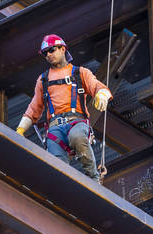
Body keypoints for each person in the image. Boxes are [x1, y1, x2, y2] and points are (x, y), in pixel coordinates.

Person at [16, 35, 112, 180]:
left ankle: (93, 178)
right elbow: (34, 108)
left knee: (78, 137)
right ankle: (65, 193)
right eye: (45, 53)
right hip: (55, 129)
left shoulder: (80, 73)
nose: (48, 55)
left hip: (76, 122)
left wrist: (102, 95)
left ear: (62, 49)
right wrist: (20, 129)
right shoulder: (43, 80)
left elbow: (97, 86)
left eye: (51, 50)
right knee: (57, 167)